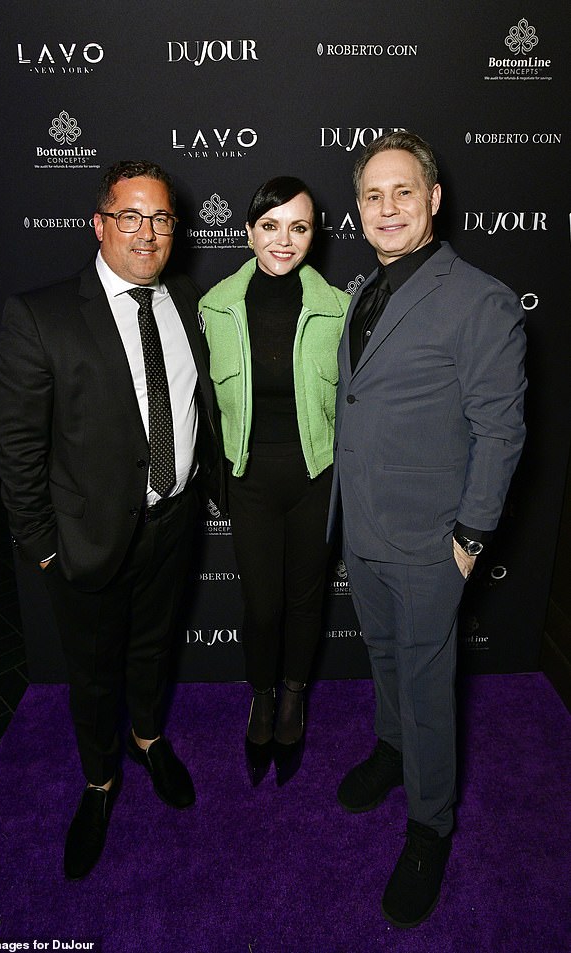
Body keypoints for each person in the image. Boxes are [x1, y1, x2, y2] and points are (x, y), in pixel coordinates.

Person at [0, 160, 223, 880]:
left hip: (173, 522)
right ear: (100, 224)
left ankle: (149, 739)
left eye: (160, 217)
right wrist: (40, 547)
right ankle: (99, 784)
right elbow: (18, 447)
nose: (147, 232)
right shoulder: (41, 315)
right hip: (85, 543)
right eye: (130, 215)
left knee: (152, 648)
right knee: (93, 676)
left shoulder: (186, 299)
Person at [329, 132, 526, 928]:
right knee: (382, 657)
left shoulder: (480, 299)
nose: (387, 208)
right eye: (373, 195)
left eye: (403, 192)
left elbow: (501, 431)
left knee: (427, 684)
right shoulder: (362, 289)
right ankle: (390, 748)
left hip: (430, 541)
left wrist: (470, 537)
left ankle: (430, 824)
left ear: (434, 198)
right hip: (364, 528)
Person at [199, 177, 351, 786]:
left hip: (317, 477)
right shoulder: (214, 306)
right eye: (270, 225)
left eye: (299, 227)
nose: (283, 240)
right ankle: (260, 695)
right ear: (248, 230)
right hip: (251, 481)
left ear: (314, 235)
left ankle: (292, 697)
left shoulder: (339, 308)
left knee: (304, 599)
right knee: (261, 606)